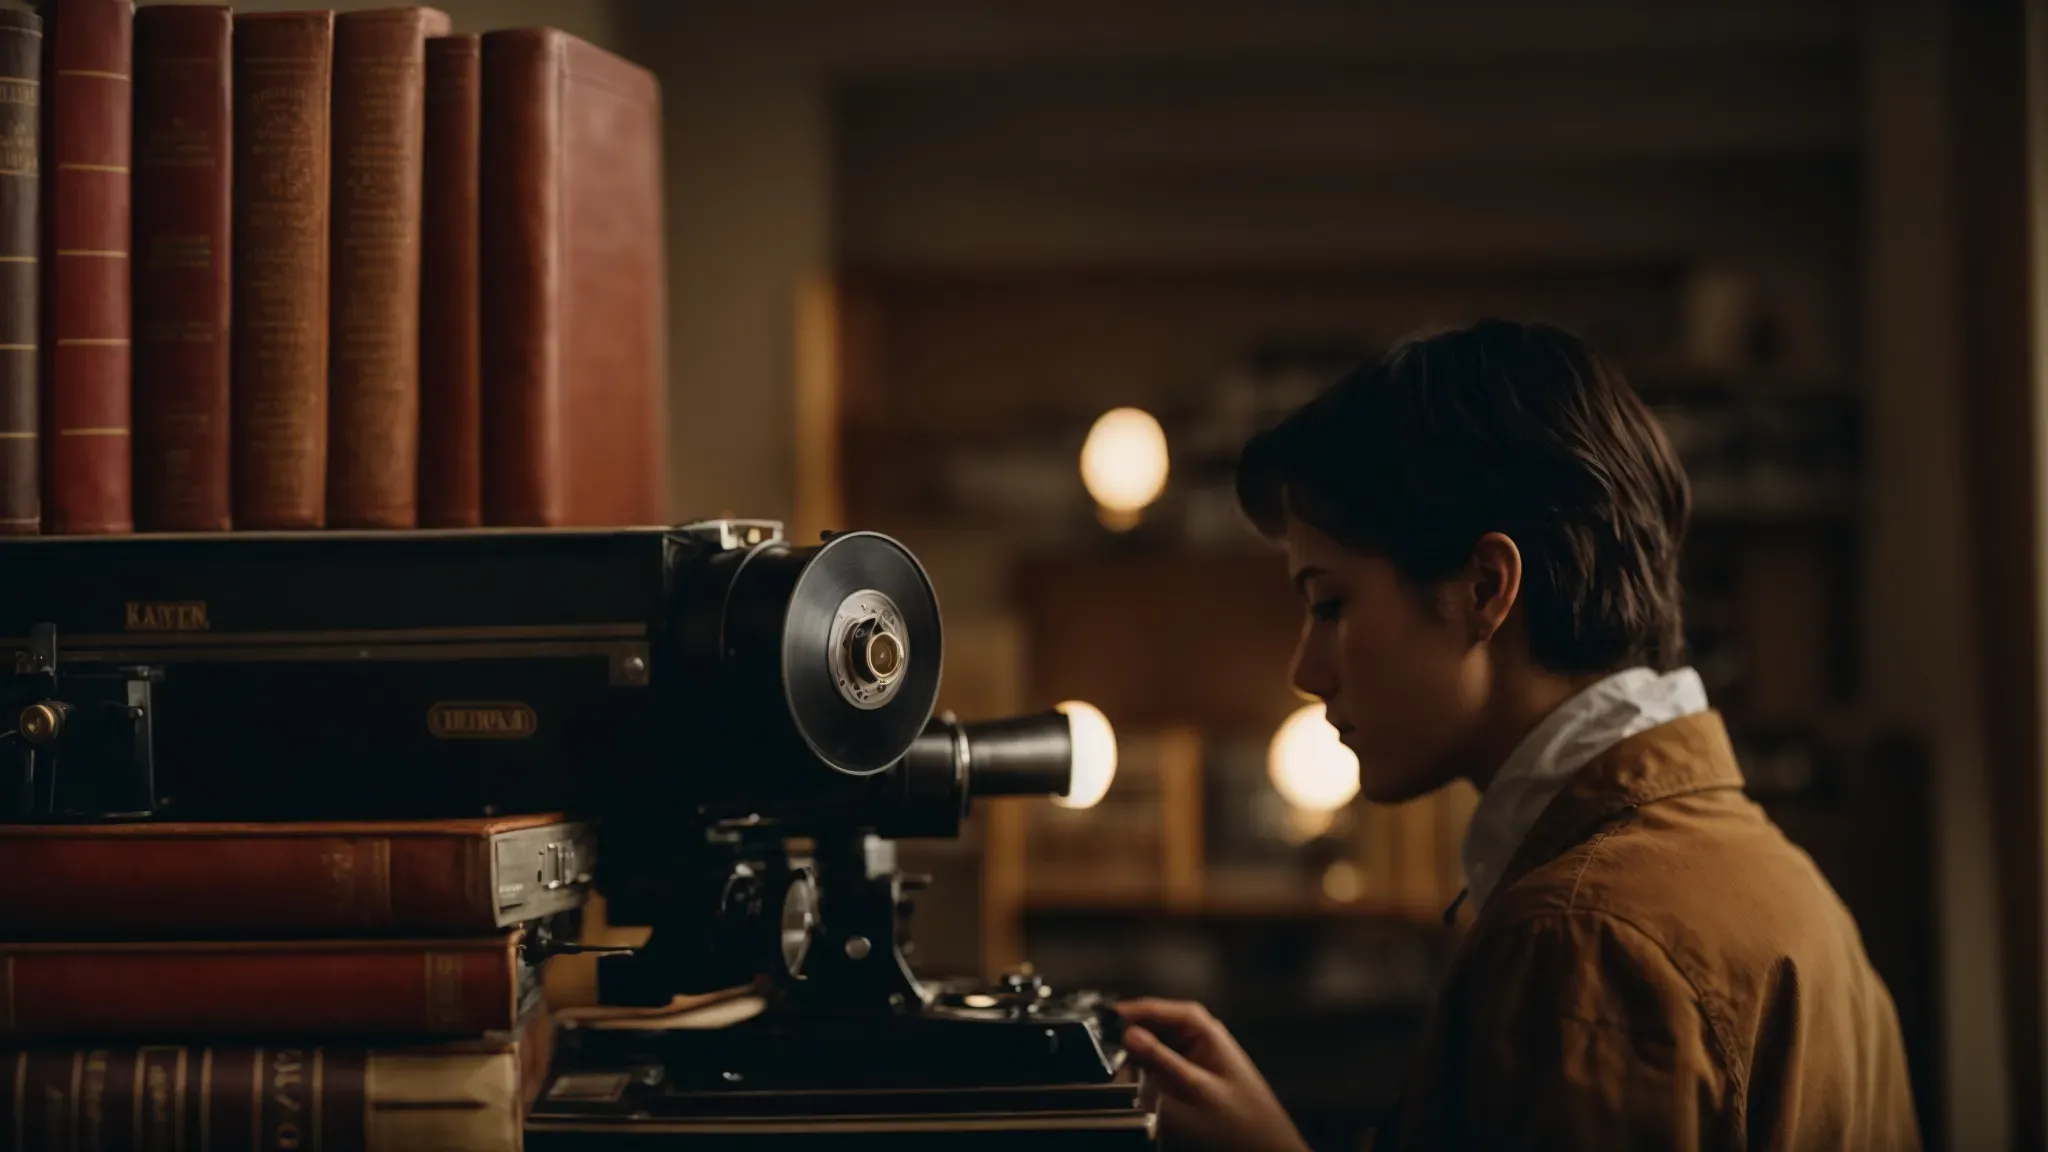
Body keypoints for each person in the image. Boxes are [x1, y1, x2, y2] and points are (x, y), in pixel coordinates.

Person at [1114, 320, 1920, 1151]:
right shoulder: (1781, 880)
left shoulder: (1582, 938)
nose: (1306, 669)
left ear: (1485, 588)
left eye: (1330, 605)